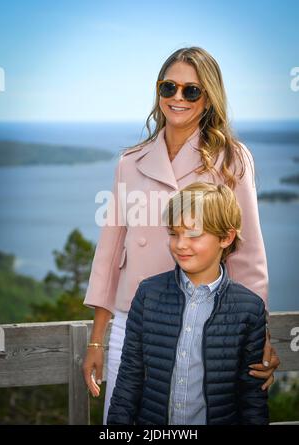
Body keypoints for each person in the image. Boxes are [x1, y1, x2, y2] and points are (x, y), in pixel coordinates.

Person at [82, 46, 279, 425]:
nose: (177, 98)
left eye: (191, 91)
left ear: (208, 100)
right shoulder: (130, 162)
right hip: (132, 321)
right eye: (168, 87)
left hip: (205, 319)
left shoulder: (232, 160)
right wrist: (97, 339)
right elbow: (109, 256)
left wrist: (260, 333)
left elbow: (248, 253)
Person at [107, 182, 269, 425]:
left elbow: (252, 399)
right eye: (174, 233)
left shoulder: (249, 309)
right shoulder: (148, 295)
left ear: (226, 237)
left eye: (193, 233)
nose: (180, 244)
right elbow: (129, 376)